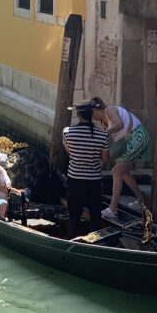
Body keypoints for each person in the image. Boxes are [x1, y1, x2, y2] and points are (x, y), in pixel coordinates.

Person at [91, 98, 152, 219]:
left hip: (136, 137)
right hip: (134, 138)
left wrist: (105, 133)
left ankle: (113, 209)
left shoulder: (109, 110)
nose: (91, 116)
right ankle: (141, 201)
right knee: (122, 172)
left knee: (116, 171)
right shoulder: (105, 122)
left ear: (97, 109)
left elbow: (119, 124)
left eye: (91, 113)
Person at [63, 100, 111, 239]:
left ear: (78, 115)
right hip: (94, 181)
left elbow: (69, 151)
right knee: (95, 215)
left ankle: (73, 241)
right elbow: (105, 159)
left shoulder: (67, 132)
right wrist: (94, 165)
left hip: (75, 180)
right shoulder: (103, 135)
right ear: (91, 115)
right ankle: (98, 243)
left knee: (74, 216)